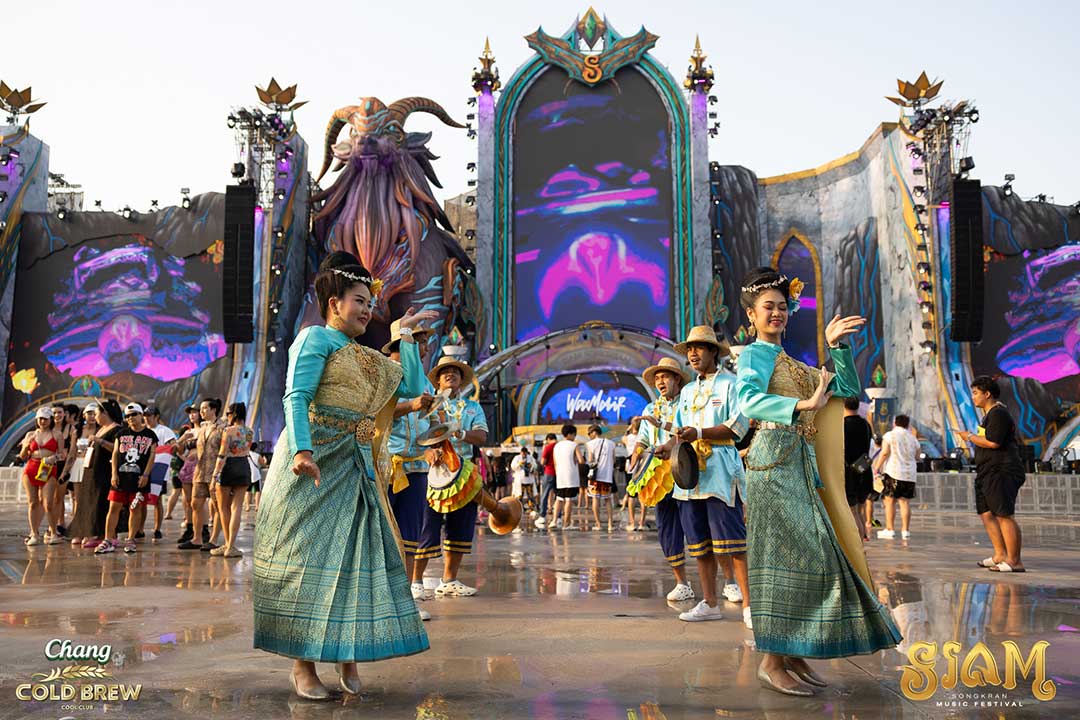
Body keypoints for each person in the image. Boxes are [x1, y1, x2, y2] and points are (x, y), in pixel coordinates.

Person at [253, 252, 434, 699]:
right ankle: (303, 666)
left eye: (370, 302)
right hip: (315, 461)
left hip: (356, 465)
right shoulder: (314, 338)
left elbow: (413, 387)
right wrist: (302, 450)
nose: (367, 309)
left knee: (358, 559)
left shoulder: (368, 356)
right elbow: (296, 396)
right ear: (334, 303)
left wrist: (405, 336)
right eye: (359, 300)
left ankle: (346, 654)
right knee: (307, 562)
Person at [735, 267, 899, 695]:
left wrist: (836, 346)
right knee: (789, 557)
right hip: (772, 465)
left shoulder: (792, 362)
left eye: (782, 306)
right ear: (751, 315)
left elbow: (845, 389)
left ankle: (792, 651)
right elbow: (748, 400)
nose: (777, 313)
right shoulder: (753, 356)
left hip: (799, 465)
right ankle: (771, 660)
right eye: (767, 307)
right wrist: (801, 406)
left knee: (812, 556)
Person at [661, 326, 751, 626]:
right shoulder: (687, 391)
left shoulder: (731, 384)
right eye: (689, 349)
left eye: (699, 347)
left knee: (733, 542)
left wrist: (699, 433)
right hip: (689, 476)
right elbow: (679, 431)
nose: (693, 354)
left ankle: (749, 606)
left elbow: (737, 428)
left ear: (714, 351)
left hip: (720, 472)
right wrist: (666, 447)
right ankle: (710, 603)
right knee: (699, 544)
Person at [413, 356, 488, 598]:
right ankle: (415, 581)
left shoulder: (473, 408)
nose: (450, 374)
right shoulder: (427, 405)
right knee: (426, 527)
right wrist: (428, 451)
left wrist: (461, 433)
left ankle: (449, 580)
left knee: (461, 526)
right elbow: (414, 434)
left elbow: (481, 437)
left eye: (455, 372)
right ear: (437, 379)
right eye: (445, 371)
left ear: (461, 379)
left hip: (463, 473)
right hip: (431, 473)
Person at [629, 356, 694, 602]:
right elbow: (643, 440)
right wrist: (637, 453)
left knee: (696, 526)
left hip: (686, 470)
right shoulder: (649, 409)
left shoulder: (688, 403)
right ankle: (682, 583)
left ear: (677, 379)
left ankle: (726, 581)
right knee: (667, 529)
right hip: (659, 477)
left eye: (665, 376)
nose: (660, 382)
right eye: (657, 378)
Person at [383, 318, 435, 617]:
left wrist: (437, 437)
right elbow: (376, 413)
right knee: (383, 535)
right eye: (418, 341)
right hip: (386, 467)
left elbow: (428, 421)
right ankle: (380, 601)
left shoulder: (425, 382)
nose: (424, 348)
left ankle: (403, 602)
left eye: (423, 342)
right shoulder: (384, 373)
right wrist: (410, 406)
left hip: (416, 468)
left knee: (410, 535)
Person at [959, 375, 1027, 573]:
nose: (973, 397)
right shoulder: (989, 415)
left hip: (1001, 470)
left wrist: (969, 436)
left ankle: (1014, 561)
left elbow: (993, 442)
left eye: (975, 393)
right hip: (987, 470)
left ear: (987, 394)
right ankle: (1000, 554)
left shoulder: (998, 413)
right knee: (986, 513)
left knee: (1004, 514)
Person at [95, 403, 158, 554]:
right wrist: (114, 474)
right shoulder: (121, 434)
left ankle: (130, 539)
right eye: (128, 416)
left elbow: (152, 456)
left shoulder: (150, 435)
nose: (131, 418)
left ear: (141, 415)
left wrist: (146, 474)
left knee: (135, 508)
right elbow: (115, 454)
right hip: (121, 478)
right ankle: (108, 540)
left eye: (134, 414)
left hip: (139, 479)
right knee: (113, 508)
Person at [68, 402, 121, 549]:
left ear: (105, 413)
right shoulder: (100, 429)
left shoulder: (117, 429)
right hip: (91, 469)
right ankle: (89, 531)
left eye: (96, 414)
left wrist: (100, 441)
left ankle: (103, 535)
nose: (95, 417)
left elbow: (117, 449)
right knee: (89, 501)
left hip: (105, 471)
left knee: (101, 502)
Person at [208, 402, 255, 558]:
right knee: (237, 508)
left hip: (228, 467)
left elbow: (222, 454)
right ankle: (230, 546)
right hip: (243, 467)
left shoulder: (228, 431)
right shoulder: (250, 431)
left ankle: (228, 545)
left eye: (228, 414)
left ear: (233, 414)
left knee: (223, 508)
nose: (227, 416)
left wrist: (214, 476)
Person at [178, 398, 225, 551]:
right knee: (195, 503)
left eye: (205, 408)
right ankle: (197, 538)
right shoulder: (202, 428)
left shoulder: (223, 427)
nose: (201, 411)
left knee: (217, 506)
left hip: (215, 472)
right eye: (201, 408)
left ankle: (213, 539)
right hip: (199, 471)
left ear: (214, 410)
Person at [19, 407, 63, 546]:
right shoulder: (30, 434)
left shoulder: (57, 434)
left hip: (48, 468)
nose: (42, 421)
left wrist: (54, 457)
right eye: (40, 419)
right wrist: (26, 446)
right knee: (32, 502)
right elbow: (22, 456)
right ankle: (34, 533)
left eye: (45, 419)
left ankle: (53, 533)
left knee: (48, 503)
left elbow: (62, 454)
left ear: (50, 420)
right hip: (32, 467)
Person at [873, 415, 920, 540]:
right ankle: (905, 531)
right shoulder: (912, 438)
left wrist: (877, 468)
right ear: (907, 424)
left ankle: (890, 529)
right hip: (910, 474)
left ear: (895, 423)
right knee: (905, 502)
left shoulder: (889, 435)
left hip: (894, 472)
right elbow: (917, 456)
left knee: (890, 501)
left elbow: (884, 453)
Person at [67, 404, 99, 545]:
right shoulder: (77, 431)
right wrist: (66, 471)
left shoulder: (100, 431)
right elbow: (72, 452)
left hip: (93, 466)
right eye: (89, 413)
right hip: (79, 464)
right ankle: (78, 531)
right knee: (78, 500)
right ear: (84, 415)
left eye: (94, 413)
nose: (92, 416)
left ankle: (90, 532)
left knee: (91, 499)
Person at [843, 398, 874, 541]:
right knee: (860, 510)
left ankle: (858, 545)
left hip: (850, 472)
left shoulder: (843, 425)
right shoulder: (865, 424)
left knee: (853, 511)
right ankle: (861, 542)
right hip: (864, 470)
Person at [143, 407, 176, 541]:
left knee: (157, 500)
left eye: (149, 415)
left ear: (156, 416)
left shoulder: (165, 431)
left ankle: (157, 528)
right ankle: (139, 528)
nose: (146, 418)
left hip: (158, 470)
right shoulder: (142, 430)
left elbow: (173, 445)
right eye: (145, 415)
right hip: (143, 470)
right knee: (141, 500)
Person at [584, 425, 616, 531]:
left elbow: (590, 460)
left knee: (595, 498)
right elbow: (614, 460)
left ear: (593, 432)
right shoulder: (611, 443)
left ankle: (598, 524)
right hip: (608, 476)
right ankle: (610, 524)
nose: (589, 436)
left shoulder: (590, 444)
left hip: (595, 476)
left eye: (589, 434)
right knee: (608, 499)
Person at [552, 424, 583, 530]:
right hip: (571, 476)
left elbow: (555, 463)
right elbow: (581, 460)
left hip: (560, 476)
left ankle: (554, 521)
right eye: (574, 434)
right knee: (569, 500)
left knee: (559, 499)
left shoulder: (557, 446)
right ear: (570, 434)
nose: (574, 437)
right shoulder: (574, 445)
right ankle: (566, 524)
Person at [535, 433, 559, 528]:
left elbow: (543, 462)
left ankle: (542, 516)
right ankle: (558, 517)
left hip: (549, 472)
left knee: (544, 494)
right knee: (559, 497)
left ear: (548, 439)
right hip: (559, 473)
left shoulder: (548, 447)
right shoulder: (560, 446)